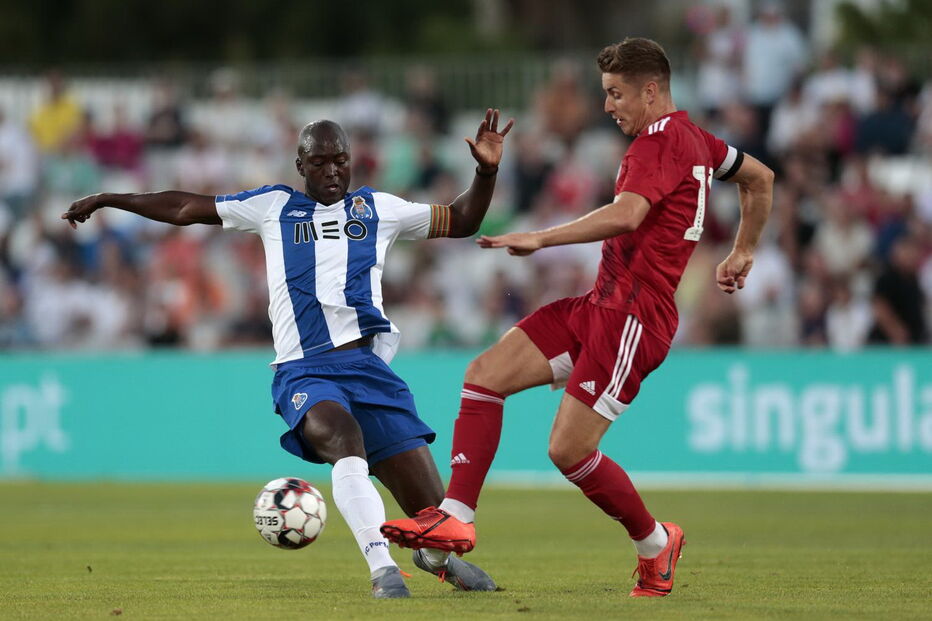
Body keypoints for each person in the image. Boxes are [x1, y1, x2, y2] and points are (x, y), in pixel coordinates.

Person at [62, 109, 514, 598]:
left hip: (369, 369)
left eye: (340, 160)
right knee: (344, 441)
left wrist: (485, 170)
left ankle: (432, 557)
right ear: (301, 166)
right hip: (305, 371)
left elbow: (464, 220)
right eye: (320, 163)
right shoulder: (272, 206)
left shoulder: (378, 209)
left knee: (434, 514)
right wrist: (111, 198)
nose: (332, 171)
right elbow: (185, 208)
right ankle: (382, 569)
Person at [381, 38, 774, 598]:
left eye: (616, 94)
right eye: (606, 93)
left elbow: (627, 214)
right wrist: (744, 249)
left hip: (634, 318)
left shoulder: (656, 144)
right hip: (600, 304)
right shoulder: (700, 140)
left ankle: (656, 544)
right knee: (485, 375)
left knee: (568, 451)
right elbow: (760, 178)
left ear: (651, 90)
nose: (609, 105)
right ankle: (456, 515)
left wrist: (542, 238)